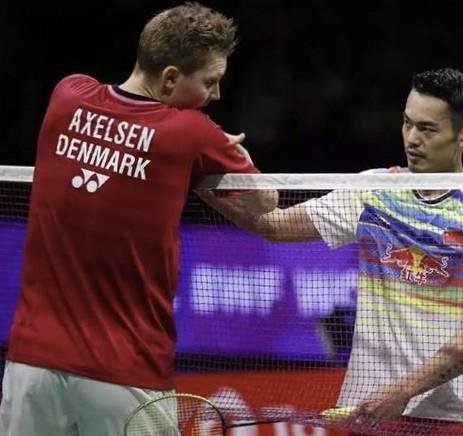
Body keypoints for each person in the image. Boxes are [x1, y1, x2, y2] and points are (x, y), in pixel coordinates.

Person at [200, 68, 463, 435]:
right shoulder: (375, 190)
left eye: (427, 129)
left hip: (452, 422)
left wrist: (402, 391)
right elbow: (273, 226)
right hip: (369, 416)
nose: (412, 139)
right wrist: (208, 181)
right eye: (407, 123)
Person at [0, 3, 276, 435]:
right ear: (170, 78)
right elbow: (265, 201)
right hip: (125, 373)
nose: (216, 95)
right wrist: (228, 149)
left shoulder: (67, 93)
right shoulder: (192, 132)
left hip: (31, 367)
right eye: (209, 82)